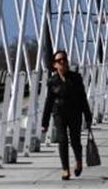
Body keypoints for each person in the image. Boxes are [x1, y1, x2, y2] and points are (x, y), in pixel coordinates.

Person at [41, 49, 93, 181]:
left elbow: (82, 98)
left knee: (75, 140)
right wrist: (45, 122)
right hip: (59, 114)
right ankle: (65, 169)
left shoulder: (75, 78)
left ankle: (78, 161)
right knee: (62, 140)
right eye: (59, 60)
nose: (63, 62)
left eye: (64, 59)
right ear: (55, 65)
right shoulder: (52, 81)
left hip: (75, 113)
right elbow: (49, 102)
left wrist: (88, 115)